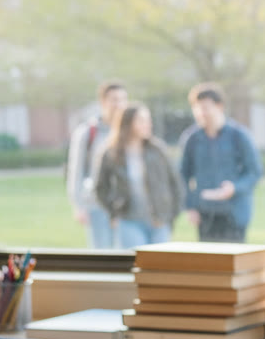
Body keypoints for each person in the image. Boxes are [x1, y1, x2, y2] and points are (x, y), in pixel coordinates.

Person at [178, 82, 263, 242]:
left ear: (219, 106)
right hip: (206, 214)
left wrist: (234, 188)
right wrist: (190, 206)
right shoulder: (192, 139)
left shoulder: (239, 136)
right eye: (197, 108)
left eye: (205, 107)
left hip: (234, 213)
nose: (201, 113)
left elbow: (254, 172)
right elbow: (183, 174)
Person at [93, 103, 184, 248]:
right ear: (128, 123)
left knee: (159, 267)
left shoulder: (157, 150)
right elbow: (100, 188)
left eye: (148, 120)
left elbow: (175, 184)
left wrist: (171, 216)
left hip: (159, 221)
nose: (148, 124)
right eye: (141, 120)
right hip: (129, 220)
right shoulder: (111, 153)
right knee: (135, 264)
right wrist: (113, 212)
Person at [66, 80, 128, 248]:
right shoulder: (87, 132)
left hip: (126, 207)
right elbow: (76, 171)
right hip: (97, 206)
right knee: (104, 257)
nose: (119, 104)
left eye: (123, 99)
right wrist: (78, 206)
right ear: (103, 102)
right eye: (114, 99)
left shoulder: (129, 132)